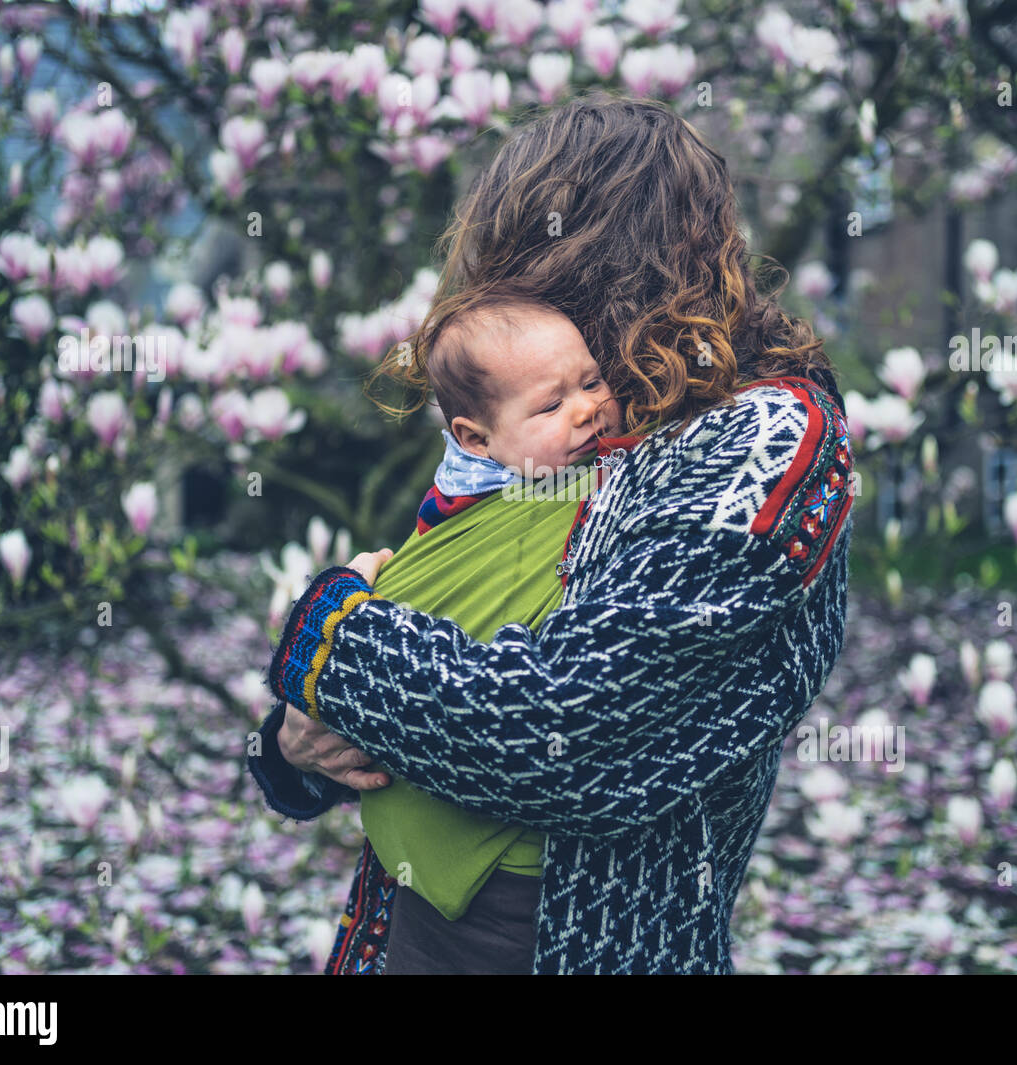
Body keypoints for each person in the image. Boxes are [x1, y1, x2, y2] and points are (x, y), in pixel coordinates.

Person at [247, 90, 854, 975]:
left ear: (595, 259)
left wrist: (324, 639)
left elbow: (558, 731)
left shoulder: (766, 440)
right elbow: (446, 623)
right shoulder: (567, 422)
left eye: (528, 269)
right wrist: (293, 747)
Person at [349, 290, 624, 973]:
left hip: (493, 862)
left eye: (591, 382)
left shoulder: (525, 476)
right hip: (470, 875)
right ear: (477, 438)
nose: (587, 408)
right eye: (551, 405)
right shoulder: (523, 499)